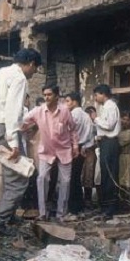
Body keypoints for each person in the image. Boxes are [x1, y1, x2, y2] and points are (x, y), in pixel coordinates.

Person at [0, 48, 42, 235]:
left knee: (10, 174)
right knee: (19, 178)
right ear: (30, 64)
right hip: (3, 128)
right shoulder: (19, 77)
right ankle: (0, 222)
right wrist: (14, 142)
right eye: (35, 68)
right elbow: (13, 111)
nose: (34, 73)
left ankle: (9, 215)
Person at [22, 85, 79, 221]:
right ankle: (42, 213)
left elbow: (73, 129)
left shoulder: (65, 111)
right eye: (45, 95)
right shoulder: (38, 111)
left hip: (64, 150)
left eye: (49, 95)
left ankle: (61, 214)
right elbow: (23, 122)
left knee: (65, 181)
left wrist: (75, 146)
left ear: (57, 96)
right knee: (42, 178)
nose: (46, 97)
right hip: (46, 151)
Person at [90, 84, 120, 220]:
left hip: (110, 143)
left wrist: (95, 118)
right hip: (104, 143)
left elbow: (109, 125)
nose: (95, 98)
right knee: (105, 174)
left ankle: (110, 208)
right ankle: (106, 206)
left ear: (103, 94)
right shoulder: (105, 107)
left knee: (109, 174)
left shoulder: (110, 106)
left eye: (96, 95)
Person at [65, 92, 95, 215]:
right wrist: (85, 146)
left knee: (72, 178)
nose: (66, 104)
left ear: (74, 102)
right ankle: (79, 204)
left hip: (73, 147)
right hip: (83, 148)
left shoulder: (72, 115)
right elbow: (90, 135)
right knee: (76, 177)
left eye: (67, 101)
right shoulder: (86, 116)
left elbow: (67, 132)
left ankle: (73, 207)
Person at [83, 106, 99, 208]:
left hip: (92, 151)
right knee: (85, 175)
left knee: (90, 175)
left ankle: (89, 199)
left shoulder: (95, 125)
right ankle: (86, 199)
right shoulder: (84, 125)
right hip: (84, 151)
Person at [118, 110, 130, 207]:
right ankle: (122, 202)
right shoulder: (120, 131)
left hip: (127, 157)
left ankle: (129, 203)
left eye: (127, 120)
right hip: (120, 157)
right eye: (123, 119)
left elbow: (121, 143)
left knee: (127, 181)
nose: (124, 121)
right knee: (121, 181)